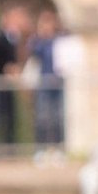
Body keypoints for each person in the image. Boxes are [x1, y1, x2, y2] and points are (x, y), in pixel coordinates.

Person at [0, 7, 28, 149]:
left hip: (6, 86)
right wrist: (6, 69)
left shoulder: (13, 37)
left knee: (8, 118)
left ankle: (9, 147)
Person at [30, 8, 71, 153]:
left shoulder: (60, 40)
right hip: (44, 83)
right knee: (42, 119)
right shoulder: (38, 41)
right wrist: (41, 36)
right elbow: (34, 53)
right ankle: (41, 150)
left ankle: (59, 149)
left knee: (58, 119)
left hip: (58, 83)